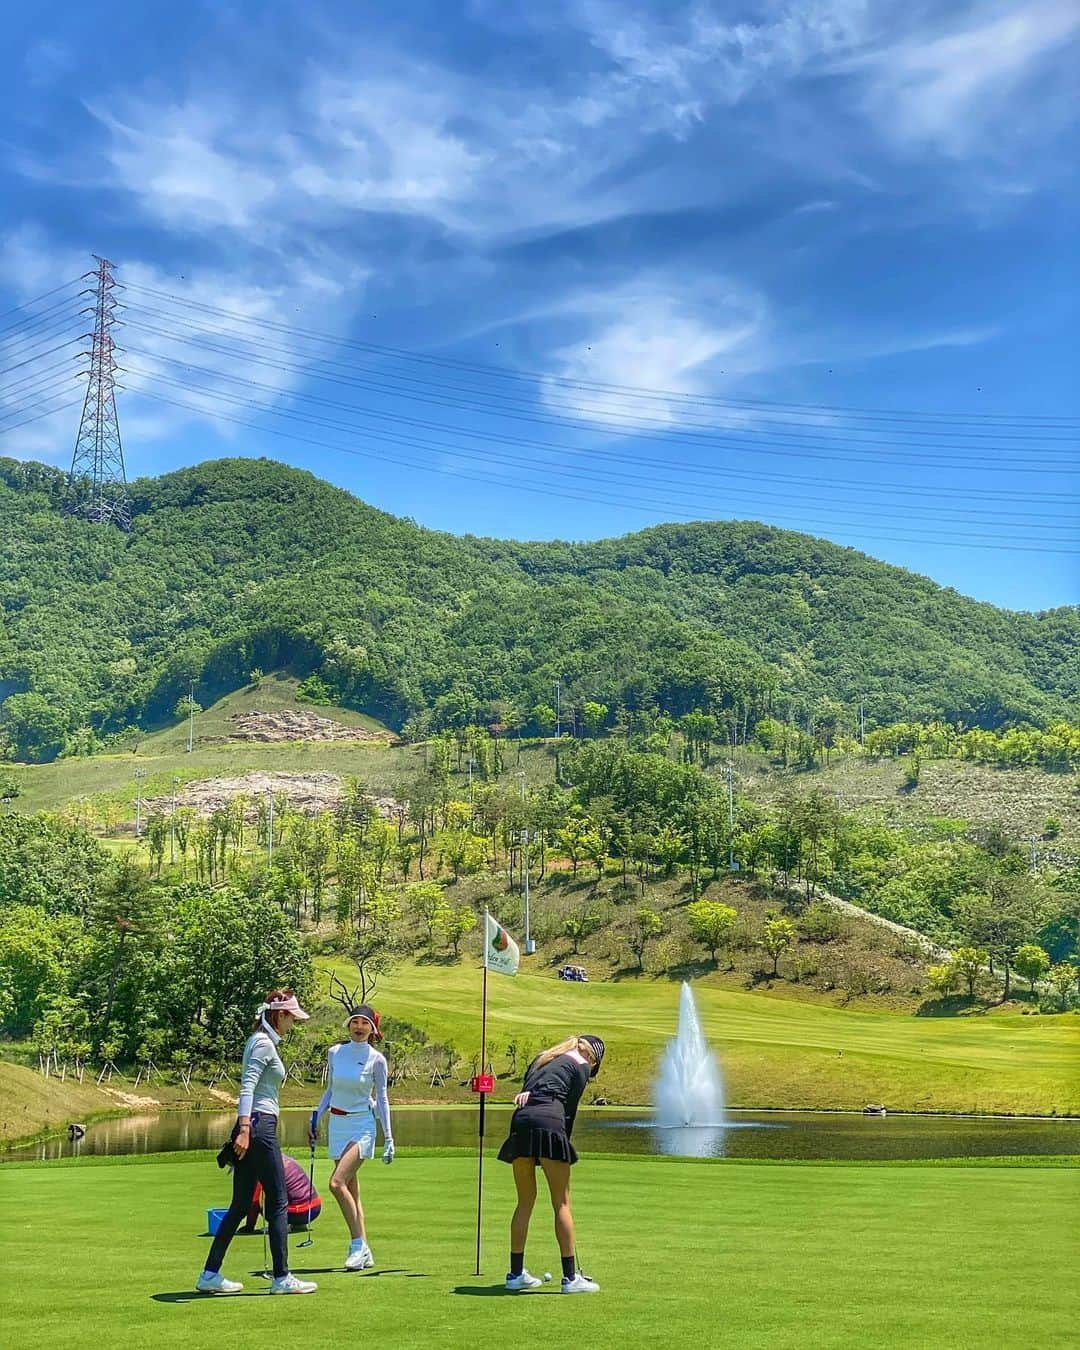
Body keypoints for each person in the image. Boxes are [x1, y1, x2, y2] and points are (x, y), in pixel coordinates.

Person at [195, 990, 318, 1295]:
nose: (293, 1023)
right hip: (260, 1126)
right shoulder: (263, 1044)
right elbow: (247, 1087)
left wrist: (245, 1127)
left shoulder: (260, 1041)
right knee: (278, 1201)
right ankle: (281, 1277)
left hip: (255, 1125)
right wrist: (245, 1128)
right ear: (279, 1016)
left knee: (239, 1206)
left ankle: (210, 1273)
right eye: (291, 1017)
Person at [496, 1033, 605, 1294]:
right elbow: (569, 1112)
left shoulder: (543, 1059)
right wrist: (561, 1146)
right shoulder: (580, 1066)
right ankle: (570, 1279)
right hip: (549, 1120)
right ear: (592, 1057)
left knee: (525, 1200)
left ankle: (515, 1274)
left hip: (521, 1121)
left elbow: (526, 1092)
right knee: (562, 1202)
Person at [310, 1004, 394, 1271]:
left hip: (362, 1125)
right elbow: (330, 1089)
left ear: (373, 1029)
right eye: (355, 1022)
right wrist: (316, 1115)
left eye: (365, 1023)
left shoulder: (376, 1059)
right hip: (338, 1123)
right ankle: (365, 1249)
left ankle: (357, 1245)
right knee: (352, 1192)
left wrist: (389, 1137)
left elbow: (382, 1098)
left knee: (336, 1183)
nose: (359, 1027)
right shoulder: (335, 1052)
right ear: (349, 1025)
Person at [240, 1152, 322, 1233]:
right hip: (314, 1209)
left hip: (298, 1213)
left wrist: (249, 1227)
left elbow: (255, 1202)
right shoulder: (280, 1156)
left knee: (262, 1202)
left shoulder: (262, 1164)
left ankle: (278, 1225)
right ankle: (298, 1225)